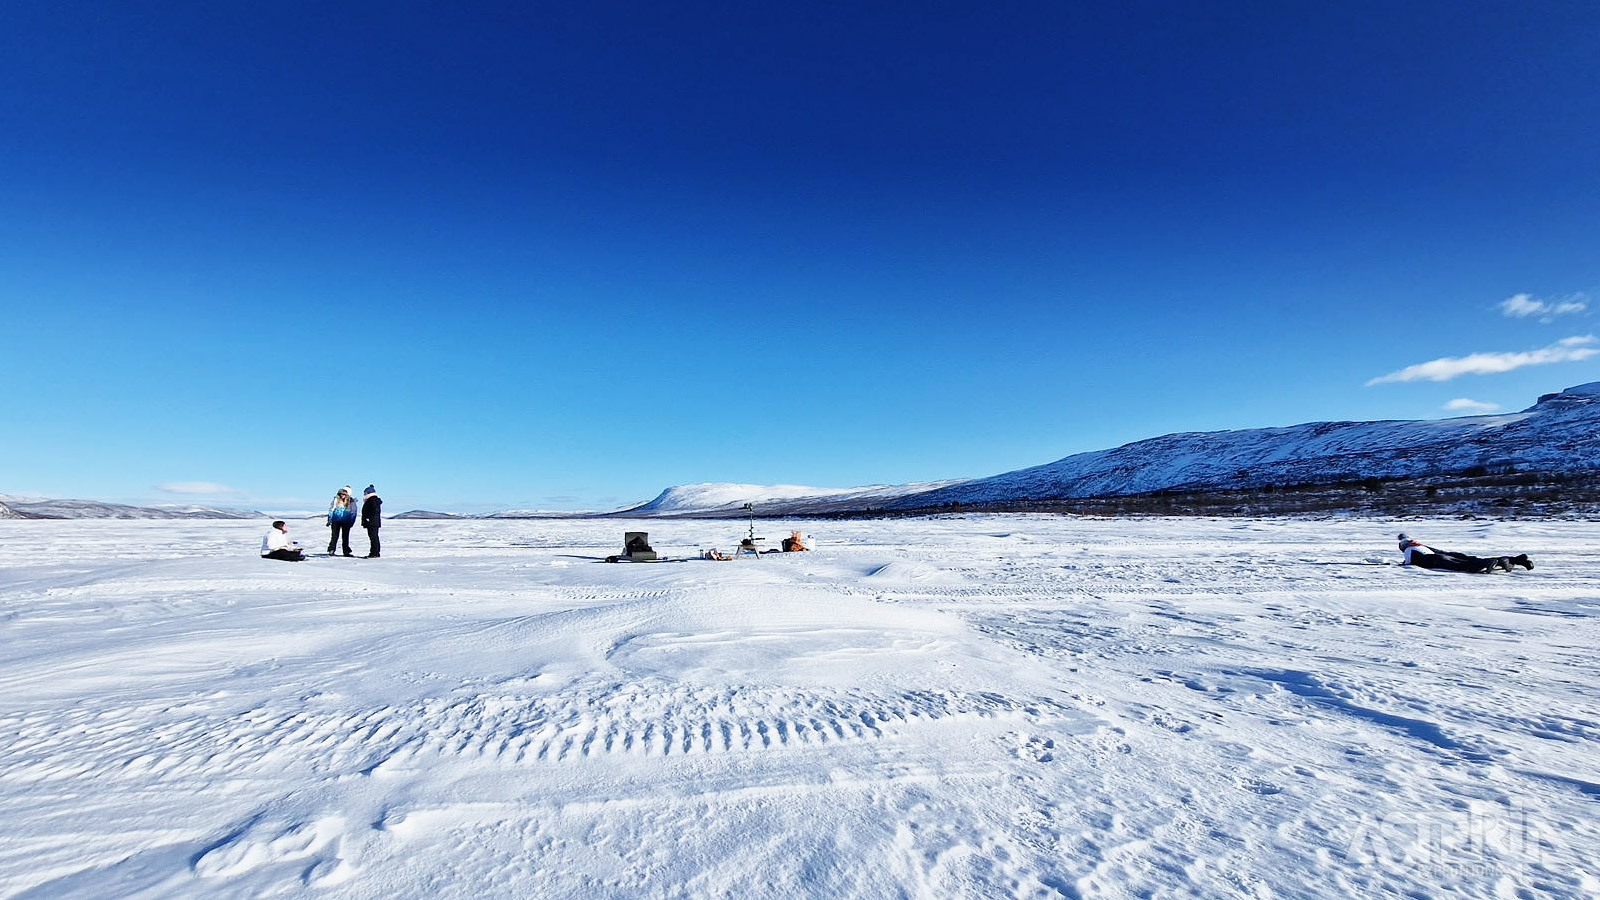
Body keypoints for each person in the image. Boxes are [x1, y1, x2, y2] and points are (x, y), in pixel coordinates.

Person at [1397, 533, 1532, 573]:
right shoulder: (1422, 546)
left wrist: (1401, 565)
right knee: (1468, 560)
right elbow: (1441, 551)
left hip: (1436, 560)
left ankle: (1488, 563)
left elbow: (1409, 564)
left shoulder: (1409, 550)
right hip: (1444, 555)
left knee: (1461, 567)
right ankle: (1514, 560)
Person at [326, 486, 357, 556]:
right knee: (334, 536)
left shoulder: (351, 502)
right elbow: (331, 509)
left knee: (345, 537)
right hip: (336, 520)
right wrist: (330, 519)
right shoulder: (336, 500)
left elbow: (353, 512)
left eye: (344, 494)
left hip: (346, 521)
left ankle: (346, 551)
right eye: (341, 494)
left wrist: (351, 522)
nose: (342, 496)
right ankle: (331, 549)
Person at [360, 485, 382, 558]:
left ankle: (374, 553)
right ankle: (374, 552)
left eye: (365, 493)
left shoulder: (372, 500)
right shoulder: (372, 500)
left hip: (372, 523)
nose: (364, 495)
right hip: (373, 522)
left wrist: (368, 518)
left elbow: (374, 510)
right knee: (373, 537)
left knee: (373, 538)